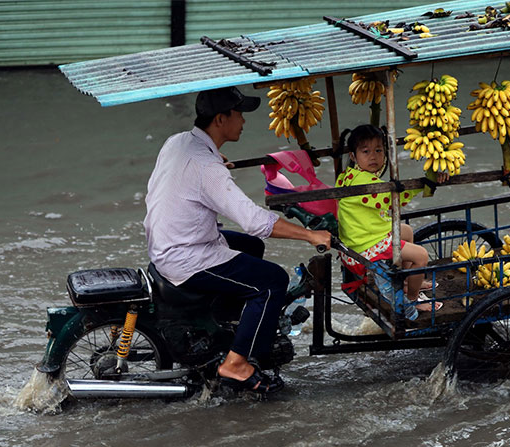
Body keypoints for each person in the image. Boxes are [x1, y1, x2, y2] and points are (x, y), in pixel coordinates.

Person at [143, 86, 331, 394]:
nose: (243, 121)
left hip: (167, 240)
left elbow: (189, 175)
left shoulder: (178, 142)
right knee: (272, 281)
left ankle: (229, 329)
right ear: (220, 119)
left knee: (251, 247)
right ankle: (236, 362)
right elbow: (256, 221)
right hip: (186, 256)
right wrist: (310, 235)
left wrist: (215, 159)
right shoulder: (208, 169)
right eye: (239, 114)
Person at [335, 124, 445, 314]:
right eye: (366, 151)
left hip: (358, 239)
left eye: (378, 150)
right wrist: (423, 184)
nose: (373, 157)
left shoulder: (348, 175)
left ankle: (406, 280)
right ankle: (411, 299)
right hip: (365, 245)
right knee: (421, 256)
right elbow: (391, 200)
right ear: (353, 156)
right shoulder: (363, 181)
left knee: (407, 231)